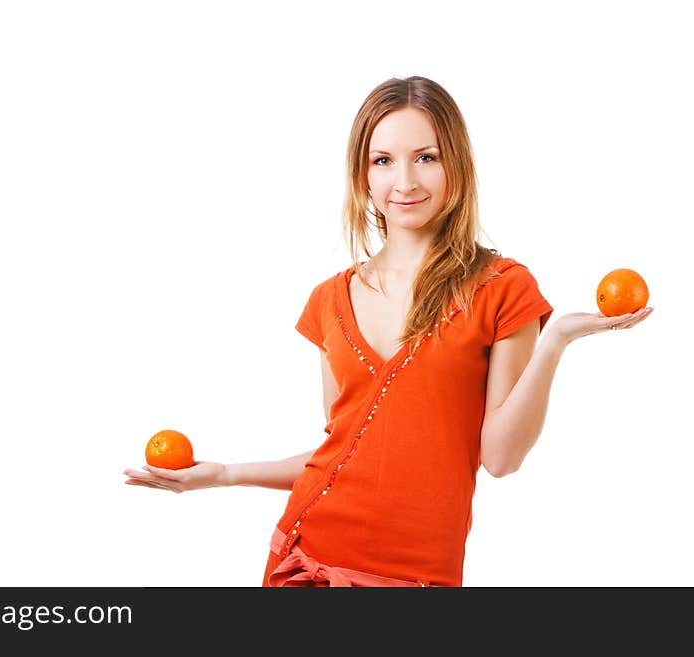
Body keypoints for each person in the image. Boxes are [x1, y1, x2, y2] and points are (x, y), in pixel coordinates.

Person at [123, 76, 653, 587]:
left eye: (426, 157)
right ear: (363, 176)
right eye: (383, 160)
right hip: (305, 558)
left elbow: (500, 457)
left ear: (456, 166)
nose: (405, 181)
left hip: (418, 574)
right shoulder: (329, 301)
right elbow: (343, 450)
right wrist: (223, 475)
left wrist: (555, 341)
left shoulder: (503, 289)